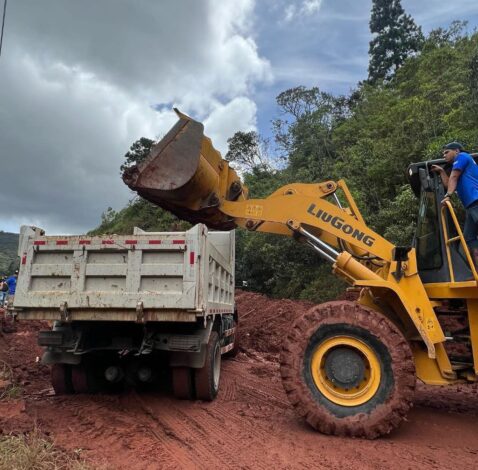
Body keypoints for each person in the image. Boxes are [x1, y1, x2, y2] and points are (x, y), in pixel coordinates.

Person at [432, 142, 478, 267]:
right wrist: (441, 171)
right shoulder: (459, 167)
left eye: (446, 152)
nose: (444, 155)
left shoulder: (462, 156)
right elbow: (449, 184)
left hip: (476, 201)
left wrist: (448, 196)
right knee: (469, 237)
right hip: (470, 206)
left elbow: (453, 177)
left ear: (456, 151)